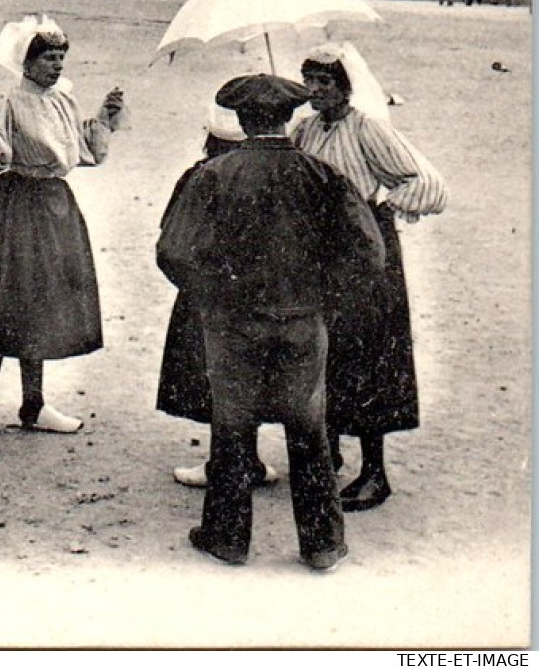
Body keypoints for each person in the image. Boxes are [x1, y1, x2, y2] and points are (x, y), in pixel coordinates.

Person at [157, 74, 384, 571]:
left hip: (233, 324)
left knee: (232, 427)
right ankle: (322, 544)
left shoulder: (213, 174)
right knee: (309, 429)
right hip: (303, 321)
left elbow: (172, 251)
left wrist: (213, 298)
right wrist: (325, 298)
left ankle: (227, 538)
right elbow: (369, 253)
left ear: (240, 119)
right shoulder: (322, 175)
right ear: (288, 118)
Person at [0, 16, 125, 440]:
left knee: (39, 306)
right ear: (27, 61)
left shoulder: (64, 102)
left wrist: (105, 118)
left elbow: (84, 152)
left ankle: (33, 404)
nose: (56, 66)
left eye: (60, 58)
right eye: (48, 59)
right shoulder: (8, 102)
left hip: (56, 208)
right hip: (14, 207)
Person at [294, 43, 447, 512]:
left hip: (366, 255)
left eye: (325, 82)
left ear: (346, 86)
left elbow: (425, 181)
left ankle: (375, 472)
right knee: (325, 352)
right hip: (322, 253)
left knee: (370, 353)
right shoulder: (305, 130)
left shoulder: (368, 130)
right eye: (310, 82)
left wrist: (377, 210)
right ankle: (331, 454)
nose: (316, 91)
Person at [160, 104, 281, 488]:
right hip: (260, 292)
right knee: (255, 375)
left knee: (217, 378)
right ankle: (250, 459)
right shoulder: (268, 175)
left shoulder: (199, 176)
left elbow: (172, 236)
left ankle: (224, 463)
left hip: (209, 293)